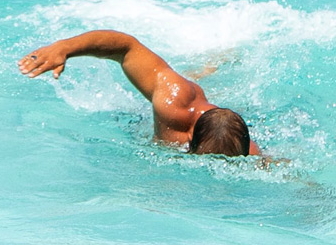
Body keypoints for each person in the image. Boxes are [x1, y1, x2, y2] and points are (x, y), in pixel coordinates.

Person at [19, 28, 259, 156]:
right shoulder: (174, 103)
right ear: (190, 140)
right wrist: (64, 48)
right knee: (187, 81)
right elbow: (127, 48)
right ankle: (212, 63)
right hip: (184, 97)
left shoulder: (250, 153)